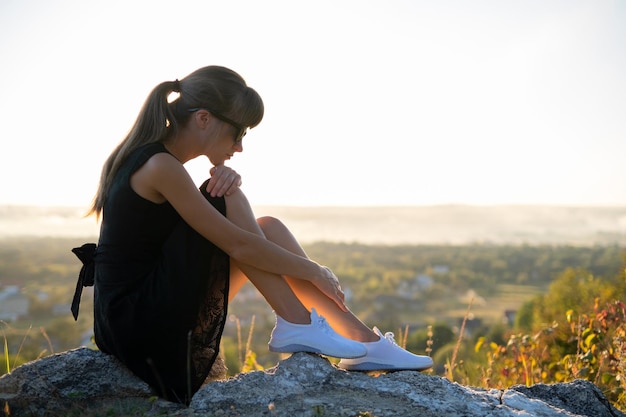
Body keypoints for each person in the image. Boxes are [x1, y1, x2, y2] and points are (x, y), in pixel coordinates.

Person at [71, 65, 433, 404]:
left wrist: (225, 189)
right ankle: (297, 322)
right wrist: (315, 270)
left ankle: (364, 342)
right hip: (138, 326)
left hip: (143, 310)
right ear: (203, 119)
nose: (240, 146)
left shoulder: (159, 161)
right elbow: (238, 244)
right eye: (239, 132)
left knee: (267, 225)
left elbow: (239, 238)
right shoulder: (160, 165)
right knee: (227, 197)